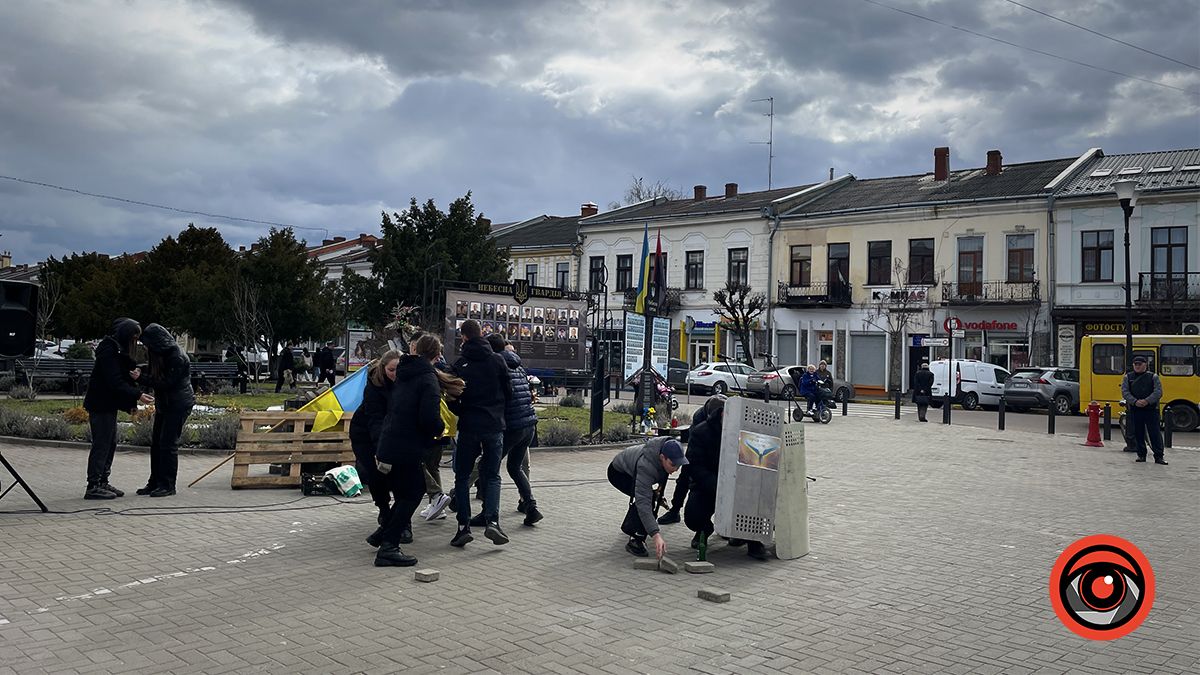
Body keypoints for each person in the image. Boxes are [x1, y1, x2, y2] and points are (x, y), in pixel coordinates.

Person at [373, 336, 446, 567]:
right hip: (407, 445)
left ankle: (383, 534)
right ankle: (389, 547)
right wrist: (440, 428)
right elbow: (428, 417)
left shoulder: (405, 374)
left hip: (391, 442)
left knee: (406, 492)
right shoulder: (427, 379)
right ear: (437, 355)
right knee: (414, 492)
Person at [447, 319, 513, 548]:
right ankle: (492, 521)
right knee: (492, 475)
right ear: (481, 334)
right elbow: (509, 392)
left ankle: (463, 527)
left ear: (464, 337)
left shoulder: (461, 363)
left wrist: (462, 410)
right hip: (494, 425)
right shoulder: (497, 360)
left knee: (463, 476)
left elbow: (452, 399)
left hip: (469, 426)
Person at [683, 396, 768, 560]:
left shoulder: (747, 430)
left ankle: (752, 540)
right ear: (721, 414)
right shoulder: (701, 432)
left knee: (754, 500)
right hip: (710, 484)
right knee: (693, 516)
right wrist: (719, 486)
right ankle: (704, 530)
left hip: (742, 485)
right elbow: (694, 466)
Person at [82, 318, 154, 499]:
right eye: (133, 338)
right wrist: (137, 395)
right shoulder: (109, 349)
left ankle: (103, 480)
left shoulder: (115, 348)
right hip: (100, 404)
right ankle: (93, 484)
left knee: (110, 443)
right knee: (102, 444)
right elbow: (114, 380)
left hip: (108, 404)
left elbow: (122, 372)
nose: (134, 342)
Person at [488, 333, 543, 526]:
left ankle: (488, 513)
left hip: (511, 425)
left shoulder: (496, 365)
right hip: (528, 423)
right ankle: (531, 506)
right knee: (514, 467)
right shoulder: (518, 365)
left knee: (490, 467)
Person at [136, 324, 195, 498]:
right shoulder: (163, 354)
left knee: (168, 444)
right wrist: (143, 372)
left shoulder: (177, 357)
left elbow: (166, 383)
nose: (147, 348)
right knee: (157, 444)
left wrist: (141, 377)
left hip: (178, 404)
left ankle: (168, 484)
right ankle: (155, 481)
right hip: (166, 404)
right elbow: (159, 377)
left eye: (148, 345)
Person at [351, 349, 401, 547]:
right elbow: (375, 419)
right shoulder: (374, 385)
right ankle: (383, 511)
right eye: (391, 370)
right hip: (365, 434)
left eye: (398, 369)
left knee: (399, 478)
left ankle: (399, 524)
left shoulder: (405, 382)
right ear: (383, 368)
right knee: (376, 474)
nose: (394, 374)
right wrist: (380, 450)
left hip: (392, 433)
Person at [607, 437, 687, 558]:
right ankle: (635, 540)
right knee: (645, 502)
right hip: (619, 473)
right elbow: (643, 502)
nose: (675, 469)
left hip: (634, 469)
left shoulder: (664, 456)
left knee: (650, 498)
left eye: (678, 465)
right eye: (673, 464)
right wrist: (656, 534)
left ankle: (633, 525)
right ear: (662, 458)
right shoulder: (646, 466)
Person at [658, 394, 726, 525]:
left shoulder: (729, 411)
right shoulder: (700, 418)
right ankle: (675, 509)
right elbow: (695, 454)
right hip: (700, 449)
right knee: (686, 472)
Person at [1121, 355, 1167, 465]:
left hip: (1151, 409)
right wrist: (1135, 401)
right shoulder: (1128, 377)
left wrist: (1146, 401)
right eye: (1135, 364)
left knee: (1155, 433)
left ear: (1145, 365)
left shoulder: (1153, 377)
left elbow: (1158, 392)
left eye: (1139, 364)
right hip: (1136, 409)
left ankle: (1159, 456)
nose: (1137, 366)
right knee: (1138, 433)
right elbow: (1125, 392)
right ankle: (1141, 455)